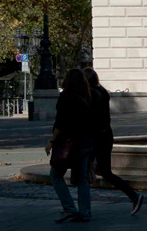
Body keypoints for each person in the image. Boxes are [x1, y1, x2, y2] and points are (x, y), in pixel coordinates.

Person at [84, 68, 145, 214]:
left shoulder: (92, 94)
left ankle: (133, 195)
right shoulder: (102, 92)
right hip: (105, 135)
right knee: (95, 171)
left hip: (97, 137)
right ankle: (83, 206)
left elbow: (90, 118)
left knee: (95, 172)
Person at [47, 69, 94, 223]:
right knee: (82, 179)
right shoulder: (86, 98)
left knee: (55, 175)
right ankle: (85, 212)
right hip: (85, 141)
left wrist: (51, 142)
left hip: (69, 142)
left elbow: (60, 123)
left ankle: (69, 208)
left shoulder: (65, 97)